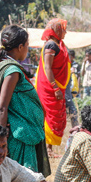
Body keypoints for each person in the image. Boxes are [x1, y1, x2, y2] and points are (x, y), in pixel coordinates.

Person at [0, 25, 50, 176]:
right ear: (20, 47)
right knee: (25, 180)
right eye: (27, 45)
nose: (27, 49)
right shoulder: (12, 71)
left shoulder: (1, 66)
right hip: (19, 135)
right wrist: (1, 140)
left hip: (21, 132)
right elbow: (1, 107)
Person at [35, 19, 71, 157]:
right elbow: (48, 68)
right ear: (57, 30)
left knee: (54, 115)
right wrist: (55, 88)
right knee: (48, 115)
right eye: (63, 29)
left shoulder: (59, 44)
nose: (65, 32)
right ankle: (47, 150)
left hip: (56, 87)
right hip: (49, 88)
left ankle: (48, 148)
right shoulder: (51, 45)